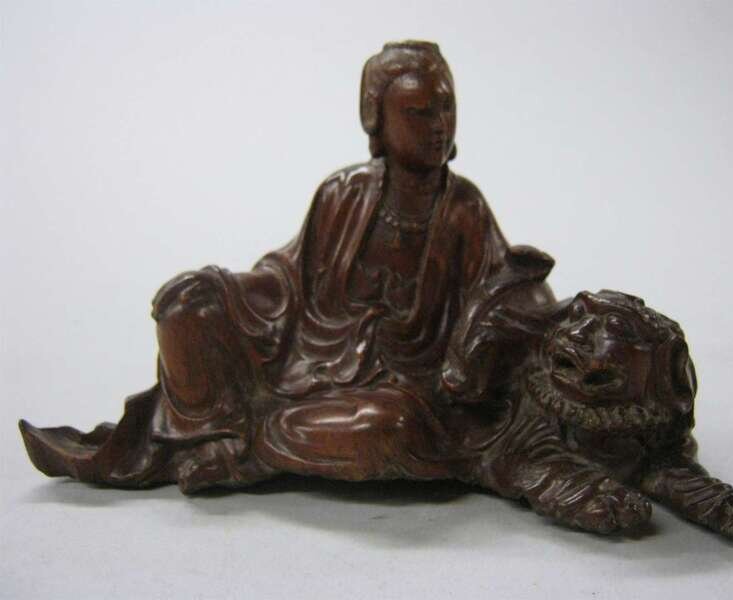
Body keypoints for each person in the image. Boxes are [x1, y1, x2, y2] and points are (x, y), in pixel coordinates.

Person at [20, 42, 555, 493]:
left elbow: (507, 293)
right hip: (304, 359)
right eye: (418, 113)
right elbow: (288, 278)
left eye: (446, 108)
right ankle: (219, 433)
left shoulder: (463, 209)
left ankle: (246, 444)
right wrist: (222, 291)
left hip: (401, 391)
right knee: (185, 305)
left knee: (386, 430)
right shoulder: (343, 193)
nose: (438, 126)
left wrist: (514, 318)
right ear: (377, 119)